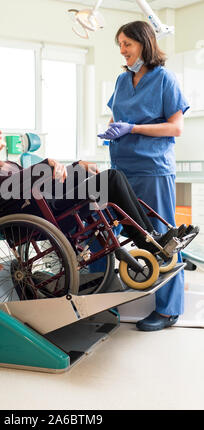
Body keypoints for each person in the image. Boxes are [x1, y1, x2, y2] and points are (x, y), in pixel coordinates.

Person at [0, 119, 186, 261]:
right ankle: (149, 242)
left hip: (48, 205)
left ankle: (153, 237)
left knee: (110, 177)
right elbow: (6, 188)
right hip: (40, 216)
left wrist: (77, 166)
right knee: (113, 179)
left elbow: (41, 181)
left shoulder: (10, 165)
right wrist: (44, 164)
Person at [98, 20, 192, 331]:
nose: (123, 51)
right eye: (120, 45)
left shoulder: (164, 78)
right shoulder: (122, 81)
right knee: (108, 232)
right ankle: (100, 298)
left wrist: (134, 128)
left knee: (162, 238)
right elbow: (116, 117)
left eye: (127, 44)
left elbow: (176, 127)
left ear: (144, 44)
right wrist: (112, 130)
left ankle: (168, 310)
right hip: (121, 168)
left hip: (152, 168)